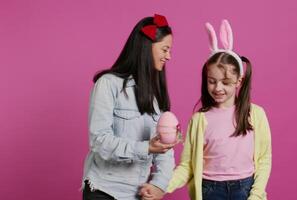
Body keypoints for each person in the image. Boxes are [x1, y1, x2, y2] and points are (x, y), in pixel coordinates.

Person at [164, 20, 272, 200]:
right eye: (212, 81)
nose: (218, 88)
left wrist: (256, 195)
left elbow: (264, 160)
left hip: (245, 189)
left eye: (226, 82)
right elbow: (187, 165)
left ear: (239, 81)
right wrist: (163, 186)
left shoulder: (256, 115)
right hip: (210, 190)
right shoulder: (199, 120)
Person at [81, 14, 177, 200]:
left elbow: (165, 150)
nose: (169, 56)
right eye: (165, 49)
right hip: (104, 191)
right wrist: (145, 148)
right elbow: (99, 141)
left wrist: (159, 185)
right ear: (147, 46)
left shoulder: (157, 94)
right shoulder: (108, 84)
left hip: (138, 194)